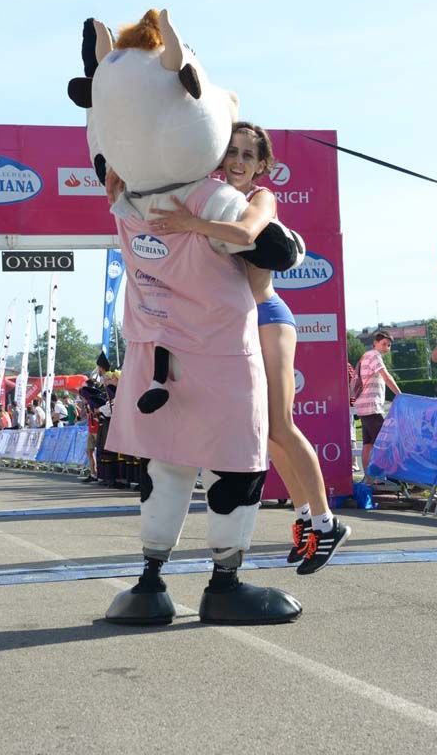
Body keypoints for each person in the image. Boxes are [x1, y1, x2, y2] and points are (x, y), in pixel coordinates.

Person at [122, 122, 351, 574]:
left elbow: (246, 235)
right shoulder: (205, 194)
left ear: (263, 165)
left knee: (281, 425)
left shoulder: (259, 200)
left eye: (249, 154)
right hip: (229, 328)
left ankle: (327, 522)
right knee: (262, 434)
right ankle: (305, 517)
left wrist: (188, 223)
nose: (239, 161)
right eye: (232, 152)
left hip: (266, 318)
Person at [354, 330, 401, 485]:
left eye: (389, 345)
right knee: (384, 441)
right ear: (375, 343)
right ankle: (380, 476)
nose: (386, 348)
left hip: (362, 405)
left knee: (368, 444)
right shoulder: (375, 356)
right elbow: (386, 376)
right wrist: (400, 395)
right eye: (384, 344)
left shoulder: (365, 356)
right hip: (372, 405)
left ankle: (369, 479)